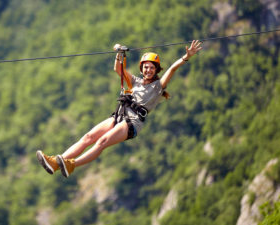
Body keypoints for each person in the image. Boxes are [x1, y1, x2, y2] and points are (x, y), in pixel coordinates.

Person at [36, 40, 202, 178]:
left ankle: (71, 165)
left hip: (133, 122)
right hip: (119, 116)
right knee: (88, 137)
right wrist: (120, 54)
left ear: (157, 70)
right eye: (146, 67)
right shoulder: (135, 81)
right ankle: (55, 163)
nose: (148, 70)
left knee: (101, 142)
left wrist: (186, 57)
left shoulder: (158, 86)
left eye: (152, 67)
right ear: (141, 68)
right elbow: (118, 69)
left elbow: (172, 69)